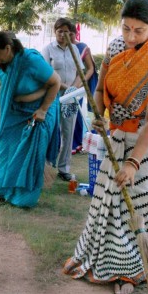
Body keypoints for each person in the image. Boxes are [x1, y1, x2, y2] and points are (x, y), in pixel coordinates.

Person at [63, 0, 148, 294]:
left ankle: (130, 270)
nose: (130, 36)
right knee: (110, 195)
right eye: (126, 28)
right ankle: (106, 259)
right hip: (122, 129)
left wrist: (133, 163)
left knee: (141, 200)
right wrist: (100, 115)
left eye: (139, 31)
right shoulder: (117, 48)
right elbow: (101, 88)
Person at [0, 31, 61, 207]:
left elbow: (56, 82)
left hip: (38, 112)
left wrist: (42, 109)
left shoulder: (30, 60)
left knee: (27, 154)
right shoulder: (6, 63)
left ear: (8, 48)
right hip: (14, 113)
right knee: (5, 148)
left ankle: (20, 197)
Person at [42, 18, 84, 182]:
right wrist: (66, 88)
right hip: (53, 96)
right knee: (50, 130)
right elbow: (46, 75)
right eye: (60, 31)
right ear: (55, 32)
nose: (63, 34)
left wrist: (73, 89)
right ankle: (44, 166)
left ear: (71, 33)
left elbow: (80, 73)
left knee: (68, 131)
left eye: (66, 31)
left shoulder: (74, 49)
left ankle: (64, 168)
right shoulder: (48, 49)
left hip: (70, 98)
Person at [69, 23, 98, 154]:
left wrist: (81, 82)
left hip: (77, 86)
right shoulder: (57, 47)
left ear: (75, 33)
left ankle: (75, 144)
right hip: (60, 86)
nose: (67, 36)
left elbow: (91, 68)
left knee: (76, 115)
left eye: (71, 33)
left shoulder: (82, 47)